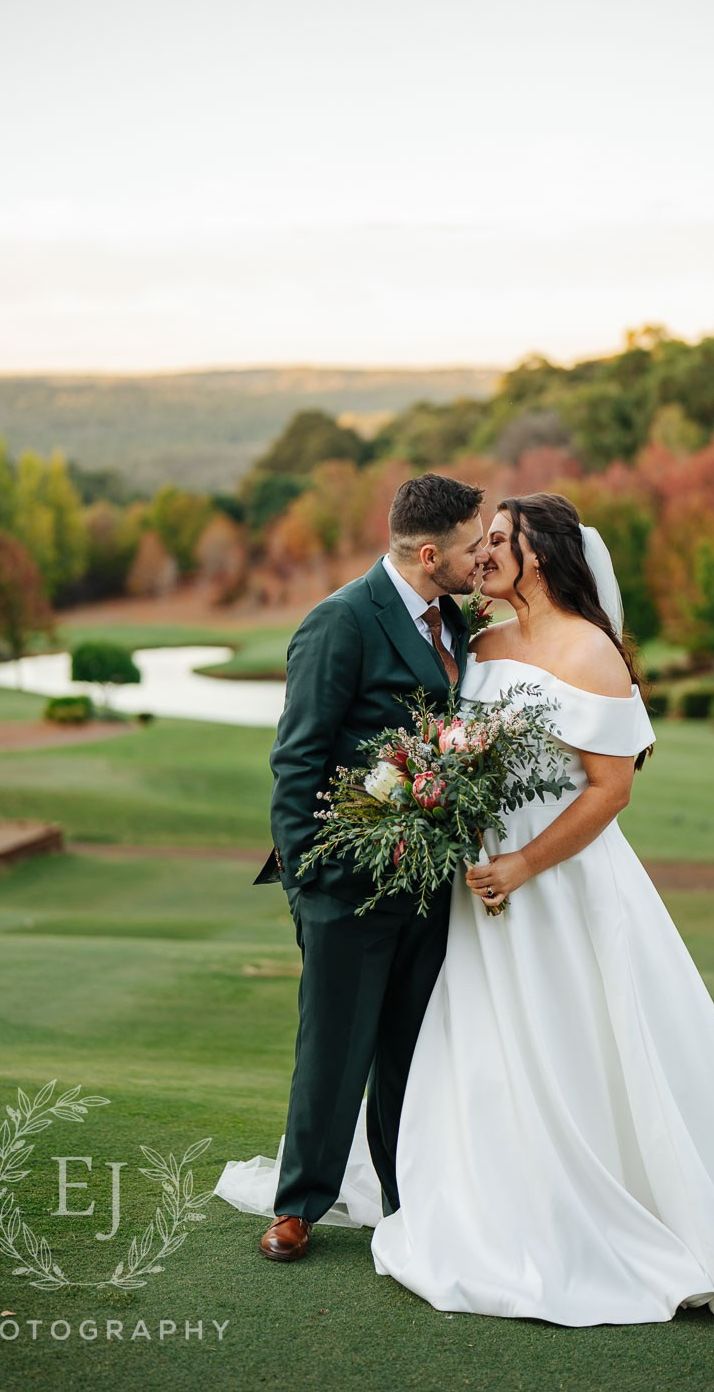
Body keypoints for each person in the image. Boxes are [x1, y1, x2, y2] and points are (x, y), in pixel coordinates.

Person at [368, 492, 714, 1344]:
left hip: (560, 891)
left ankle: (619, 1210)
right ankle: (495, 1200)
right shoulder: (479, 643)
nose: (484, 553)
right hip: (481, 894)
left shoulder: (590, 655)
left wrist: (524, 865)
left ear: (543, 556)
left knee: (583, 1046)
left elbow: (613, 789)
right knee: (486, 1050)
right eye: (484, 539)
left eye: (502, 540)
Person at [216, 473, 488, 1261]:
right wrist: (310, 885)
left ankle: (408, 1203)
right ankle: (300, 1206)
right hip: (347, 890)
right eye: (474, 545)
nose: (483, 557)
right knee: (333, 1050)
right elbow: (295, 762)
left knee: (410, 1052)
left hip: (432, 885)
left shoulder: (460, 624)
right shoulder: (339, 622)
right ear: (431, 553)